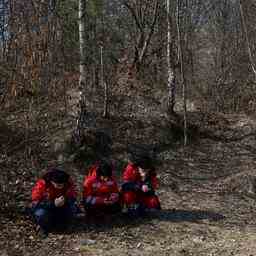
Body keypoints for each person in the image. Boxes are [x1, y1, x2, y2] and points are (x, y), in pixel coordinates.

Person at [31, 168, 79, 237]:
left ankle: (63, 225)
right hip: (46, 208)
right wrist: (53, 203)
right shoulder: (42, 184)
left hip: (61, 207)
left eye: (62, 185)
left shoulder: (68, 183)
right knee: (41, 213)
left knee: (72, 208)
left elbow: (73, 196)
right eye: (58, 185)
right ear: (52, 182)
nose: (60, 187)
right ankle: (44, 227)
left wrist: (65, 200)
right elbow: (35, 201)